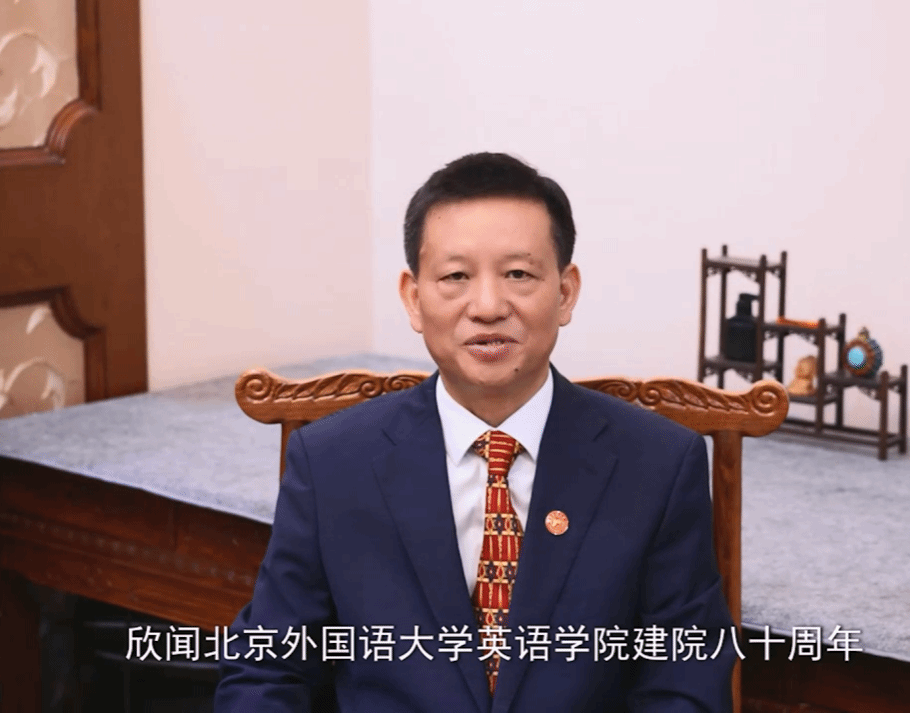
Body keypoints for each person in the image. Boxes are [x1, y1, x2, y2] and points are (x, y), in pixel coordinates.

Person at [215, 152, 736, 712]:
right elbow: (266, 667)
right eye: (456, 277)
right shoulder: (333, 462)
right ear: (414, 298)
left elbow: (687, 678)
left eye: (518, 274)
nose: (487, 307)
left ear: (565, 292)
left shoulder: (657, 465)